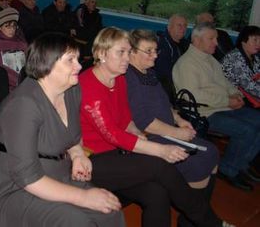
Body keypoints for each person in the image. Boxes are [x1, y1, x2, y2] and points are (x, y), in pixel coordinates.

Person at [79, 27, 230, 227]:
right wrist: (161, 150)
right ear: (101, 54)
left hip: (116, 153)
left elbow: (125, 118)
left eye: (128, 51)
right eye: (121, 52)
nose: (127, 58)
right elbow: (112, 134)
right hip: (91, 160)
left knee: (156, 193)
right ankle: (211, 223)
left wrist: (135, 131)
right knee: (160, 165)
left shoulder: (119, 79)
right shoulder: (88, 85)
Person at [0, 32, 125, 227]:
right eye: (70, 60)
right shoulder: (23, 105)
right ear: (46, 64)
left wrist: (77, 155)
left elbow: (74, 137)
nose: (80, 65)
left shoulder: (72, 90)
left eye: (77, 58)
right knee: (76, 222)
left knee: (110, 212)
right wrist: (83, 197)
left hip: (58, 175)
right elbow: (27, 177)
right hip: (16, 188)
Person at [126, 29, 220, 227]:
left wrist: (178, 119)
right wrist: (177, 132)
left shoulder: (148, 73)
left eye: (156, 50)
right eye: (149, 51)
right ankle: (194, 218)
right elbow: (144, 121)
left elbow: (164, 103)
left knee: (212, 152)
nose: (155, 55)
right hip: (148, 137)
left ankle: (193, 216)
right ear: (132, 52)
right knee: (199, 160)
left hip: (166, 129)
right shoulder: (129, 78)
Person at [173, 22, 260, 191]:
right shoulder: (187, 64)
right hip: (204, 113)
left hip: (222, 106)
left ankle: (241, 162)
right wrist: (227, 101)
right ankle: (228, 169)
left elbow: (225, 82)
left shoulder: (210, 59)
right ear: (197, 40)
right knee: (246, 130)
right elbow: (195, 96)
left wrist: (236, 94)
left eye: (216, 39)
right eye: (211, 39)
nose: (216, 43)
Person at [0, 7, 27, 90]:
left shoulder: (21, 42)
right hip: (5, 85)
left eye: (14, 26)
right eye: (7, 26)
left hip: (23, 82)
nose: (12, 29)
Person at [154, 14, 189, 101]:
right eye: (179, 25)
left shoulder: (184, 44)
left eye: (185, 26)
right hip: (171, 91)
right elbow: (164, 76)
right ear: (169, 27)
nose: (183, 28)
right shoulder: (163, 45)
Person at [221, 25, 260, 100]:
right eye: (255, 40)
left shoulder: (255, 57)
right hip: (235, 97)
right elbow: (248, 86)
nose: (258, 44)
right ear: (243, 41)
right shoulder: (234, 57)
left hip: (250, 96)